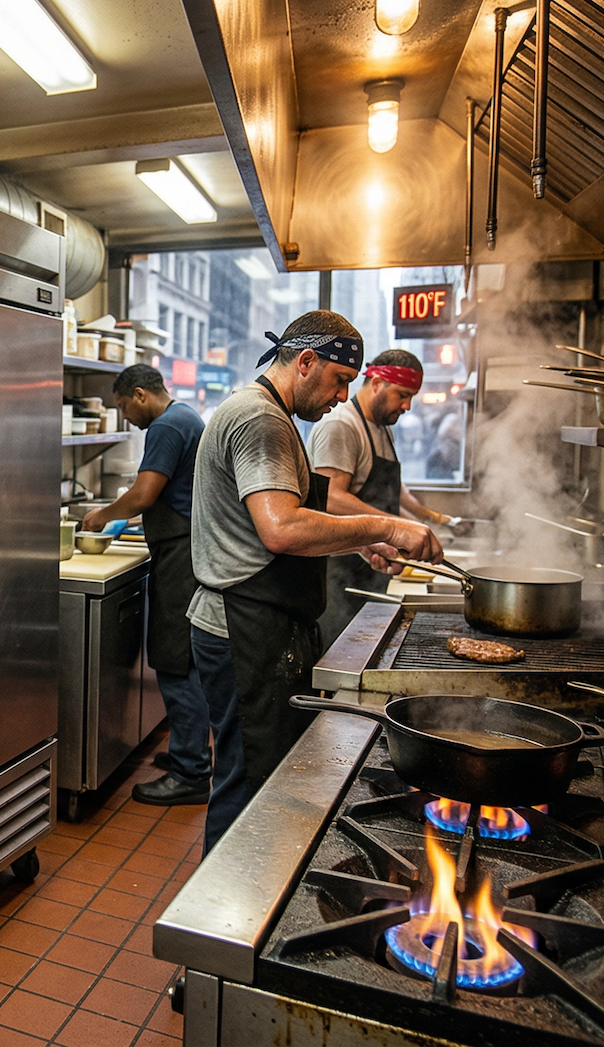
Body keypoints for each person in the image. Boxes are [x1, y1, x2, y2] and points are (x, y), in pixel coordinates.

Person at [187, 312, 443, 853]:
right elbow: (280, 529)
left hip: (257, 621)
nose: (342, 395)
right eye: (340, 380)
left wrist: (357, 543)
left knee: (257, 774)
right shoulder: (260, 419)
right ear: (306, 361)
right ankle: (227, 900)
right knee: (249, 783)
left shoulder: (267, 413)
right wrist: (387, 527)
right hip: (242, 628)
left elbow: (286, 520)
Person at [79, 364, 211, 806]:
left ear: (140, 394)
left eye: (122, 406)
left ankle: (191, 773)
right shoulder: (187, 416)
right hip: (189, 552)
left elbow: (144, 494)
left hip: (181, 559)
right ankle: (190, 754)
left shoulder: (166, 426)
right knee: (186, 662)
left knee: (176, 663)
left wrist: (101, 517)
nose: (124, 417)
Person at [309, 350, 464, 643]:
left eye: (411, 397)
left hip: (373, 563)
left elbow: (391, 493)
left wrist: (423, 521)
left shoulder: (382, 427)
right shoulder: (342, 425)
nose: (407, 406)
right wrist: (396, 527)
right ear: (377, 383)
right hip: (341, 572)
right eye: (402, 395)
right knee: (341, 650)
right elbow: (330, 498)